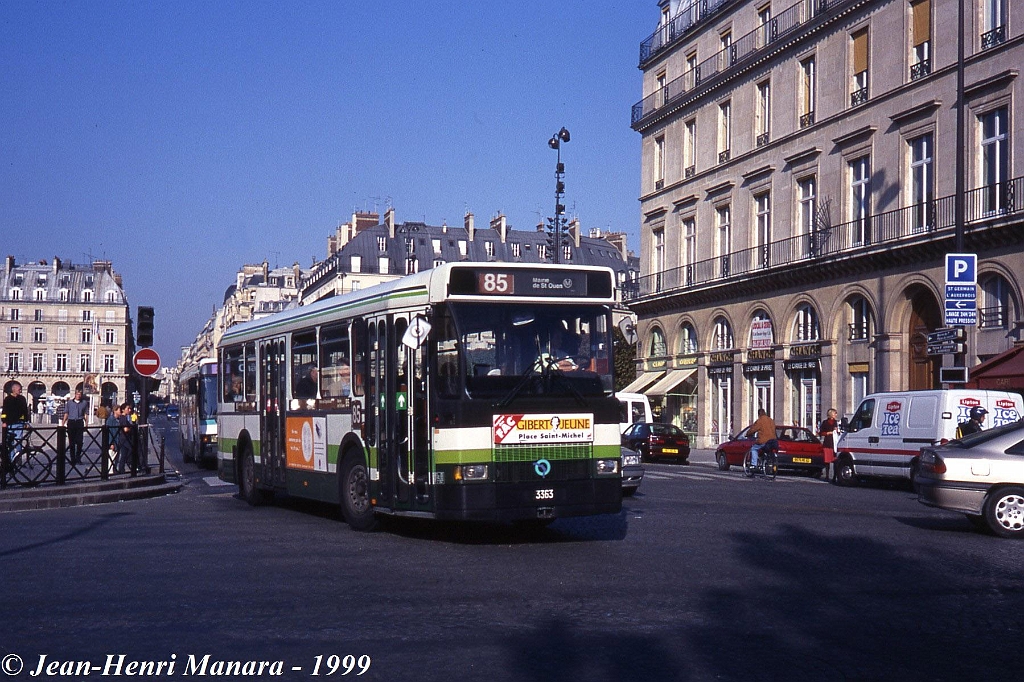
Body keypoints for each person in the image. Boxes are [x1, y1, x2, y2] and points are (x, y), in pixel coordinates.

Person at [2, 381, 32, 488]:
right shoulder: (7, 399)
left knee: (18, 441)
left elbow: (25, 411)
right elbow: (4, 411)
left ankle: (17, 458)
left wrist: (26, 422)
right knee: (9, 443)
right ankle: (10, 462)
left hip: (19, 423)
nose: (20, 390)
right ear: (14, 389)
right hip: (10, 424)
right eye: (19, 388)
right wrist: (4, 421)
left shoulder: (22, 399)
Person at [63, 388, 89, 466]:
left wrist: (86, 423)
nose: (79, 395)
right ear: (75, 394)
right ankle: (72, 459)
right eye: (77, 394)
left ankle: (78, 458)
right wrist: (63, 423)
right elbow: (66, 413)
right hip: (71, 422)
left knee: (80, 442)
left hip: (79, 422)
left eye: (80, 394)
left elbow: (85, 414)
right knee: (72, 442)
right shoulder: (69, 403)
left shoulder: (84, 403)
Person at [818, 408, 839, 479]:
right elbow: (821, 432)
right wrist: (828, 433)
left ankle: (835, 476)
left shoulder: (836, 422)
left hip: (834, 444)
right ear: (831, 414)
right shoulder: (825, 422)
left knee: (835, 461)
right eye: (835, 413)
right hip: (827, 443)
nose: (836, 414)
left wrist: (837, 431)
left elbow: (839, 432)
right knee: (827, 461)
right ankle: (827, 475)